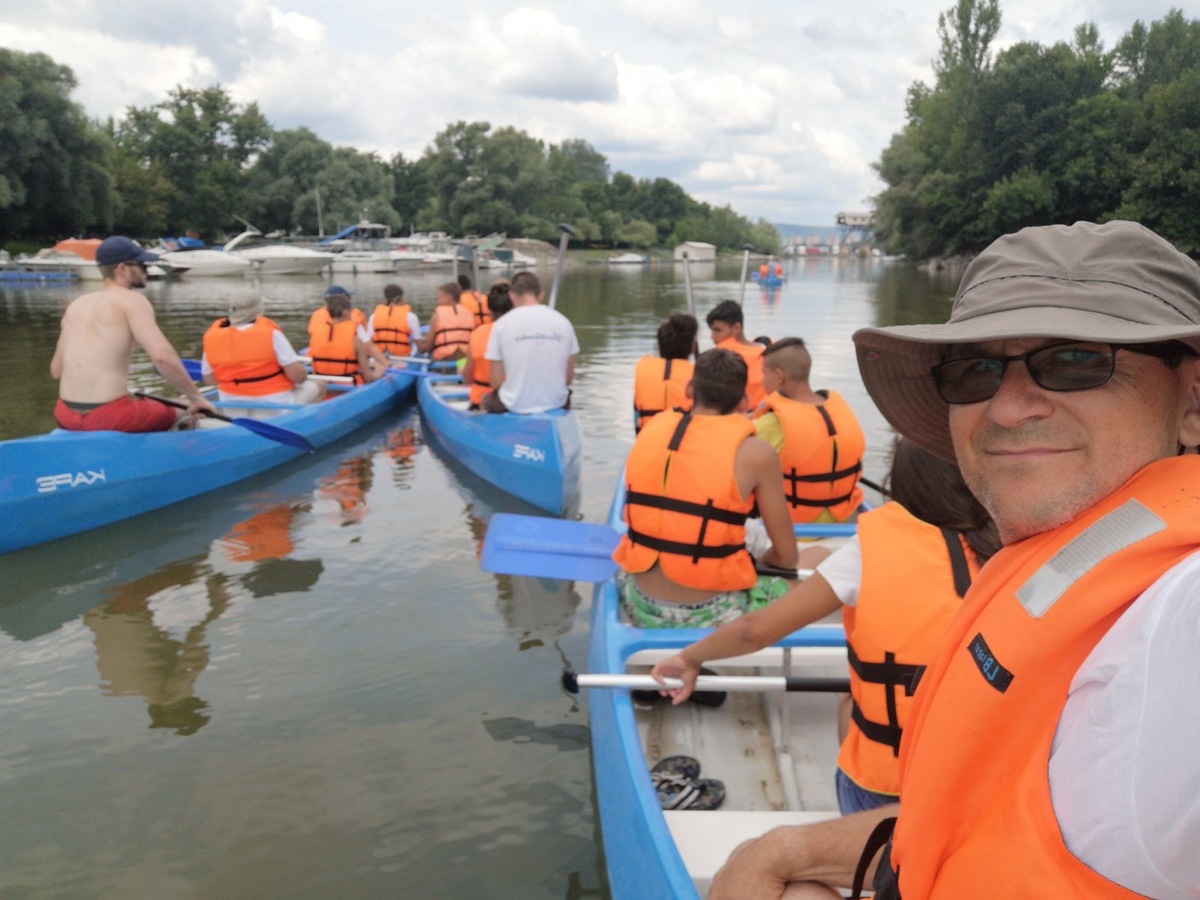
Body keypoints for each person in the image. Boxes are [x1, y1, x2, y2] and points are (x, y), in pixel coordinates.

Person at [708, 220, 1200, 900]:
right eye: (976, 370)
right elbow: (980, 826)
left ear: (1193, 403)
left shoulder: (1179, 614)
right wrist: (784, 847)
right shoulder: (1050, 570)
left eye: (1077, 361)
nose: (1008, 406)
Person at [652, 436, 1000, 814]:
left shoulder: (868, 550)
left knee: (852, 697)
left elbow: (756, 630)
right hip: (976, 784)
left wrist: (691, 658)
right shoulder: (1013, 549)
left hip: (882, 787)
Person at [612, 348, 802, 628]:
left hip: (636, 599)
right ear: (743, 401)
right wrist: (754, 560)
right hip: (713, 612)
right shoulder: (757, 454)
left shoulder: (652, 430)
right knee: (802, 576)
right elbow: (787, 558)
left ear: (689, 389)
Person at [50, 235, 214, 432]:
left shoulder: (76, 305)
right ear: (122, 269)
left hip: (65, 414)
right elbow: (162, 357)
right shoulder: (132, 301)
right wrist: (196, 399)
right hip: (108, 417)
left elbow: (56, 370)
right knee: (183, 407)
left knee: (151, 403)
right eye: (142, 265)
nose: (147, 270)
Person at [753, 337, 867, 524]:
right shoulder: (840, 409)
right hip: (845, 519)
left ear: (780, 376)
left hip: (796, 529)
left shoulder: (771, 424)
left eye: (764, 373)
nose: (762, 380)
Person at [200, 295, 325, 409]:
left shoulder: (212, 337)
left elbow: (209, 379)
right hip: (275, 406)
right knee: (318, 384)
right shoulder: (272, 334)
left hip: (233, 407)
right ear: (258, 311)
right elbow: (298, 376)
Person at [483, 270, 579, 414]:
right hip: (556, 403)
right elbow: (568, 378)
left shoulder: (501, 325)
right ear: (541, 295)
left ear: (511, 295)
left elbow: (495, 381)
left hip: (514, 404)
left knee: (486, 400)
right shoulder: (564, 322)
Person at [633, 313, 697, 433]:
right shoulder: (699, 375)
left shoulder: (643, 366)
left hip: (648, 440)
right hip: (685, 443)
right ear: (692, 346)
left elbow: (637, 414)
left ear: (659, 345)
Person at [309, 290, 390, 384]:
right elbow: (368, 378)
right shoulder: (356, 340)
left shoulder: (317, 333)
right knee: (378, 368)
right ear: (346, 312)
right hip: (348, 385)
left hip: (322, 385)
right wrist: (379, 372)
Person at [706, 299, 766, 407]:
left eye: (717, 330)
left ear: (736, 328)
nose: (712, 336)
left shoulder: (720, 356)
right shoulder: (769, 349)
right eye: (712, 330)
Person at [463, 283, 513, 409]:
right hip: (516, 402)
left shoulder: (477, 334)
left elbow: (468, 377)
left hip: (482, 400)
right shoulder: (522, 332)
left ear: (489, 310)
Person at [419, 282, 475, 362]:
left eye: (439, 298)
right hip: (465, 360)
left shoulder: (436, 316)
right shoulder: (470, 314)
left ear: (448, 298)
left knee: (422, 356)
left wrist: (420, 344)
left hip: (444, 361)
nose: (438, 301)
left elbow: (428, 347)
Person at [369, 284, 420, 358]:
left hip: (379, 360)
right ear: (401, 298)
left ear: (386, 298)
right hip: (403, 360)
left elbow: (369, 342)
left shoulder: (373, 316)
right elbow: (418, 343)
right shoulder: (411, 316)